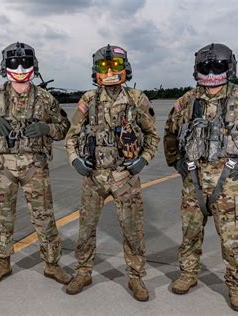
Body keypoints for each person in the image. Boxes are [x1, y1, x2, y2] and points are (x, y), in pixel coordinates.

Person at [164, 43, 238, 312]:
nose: (212, 72)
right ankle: (188, 274)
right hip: (193, 181)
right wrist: (176, 161)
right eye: (206, 67)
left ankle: (237, 287)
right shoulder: (187, 100)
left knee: (232, 241)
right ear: (197, 69)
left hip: (228, 183)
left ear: (229, 68)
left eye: (218, 66)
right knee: (190, 235)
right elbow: (170, 132)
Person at [64, 44, 160, 301]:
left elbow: (152, 136)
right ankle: (83, 272)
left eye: (115, 66)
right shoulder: (88, 100)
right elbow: (71, 136)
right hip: (94, 177)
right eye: (103, 67)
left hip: (124, 177)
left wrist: (144, 160)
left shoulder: (137, 99)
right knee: (86, 228)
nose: (109, 72)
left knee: (133, 230)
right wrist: (75, 160)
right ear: (95, 71)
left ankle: (136, 278)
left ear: (125, 69)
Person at [0, 42, 72, 286]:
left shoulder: (45, 99)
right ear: (5, 66)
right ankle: (2, 263)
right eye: (14, 63)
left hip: (33, 167)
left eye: (25, 62)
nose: (19, 68)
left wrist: (46, 127)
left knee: (44, 216)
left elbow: (64, 128)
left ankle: (51, 264)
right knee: (4, 217)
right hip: (2, 167)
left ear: (33, 66)